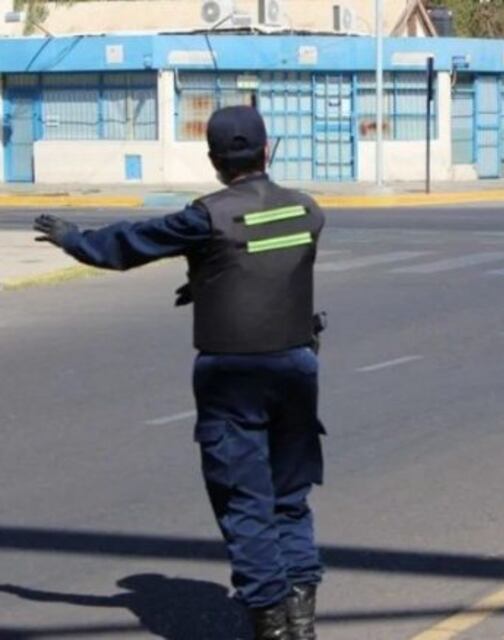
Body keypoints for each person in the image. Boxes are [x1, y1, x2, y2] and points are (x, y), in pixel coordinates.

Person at [33, 106, 326, 640]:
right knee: (290, 497)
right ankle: (301, 616)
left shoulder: (204, 216)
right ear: (268, 151)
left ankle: (272, 623)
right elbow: (269, 256)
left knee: (244, 500)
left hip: (231, 374)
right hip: (295, 366)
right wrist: (212, 280)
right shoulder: (306, 210)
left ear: (214, 161)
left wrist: (73, 238)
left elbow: (129, 245)